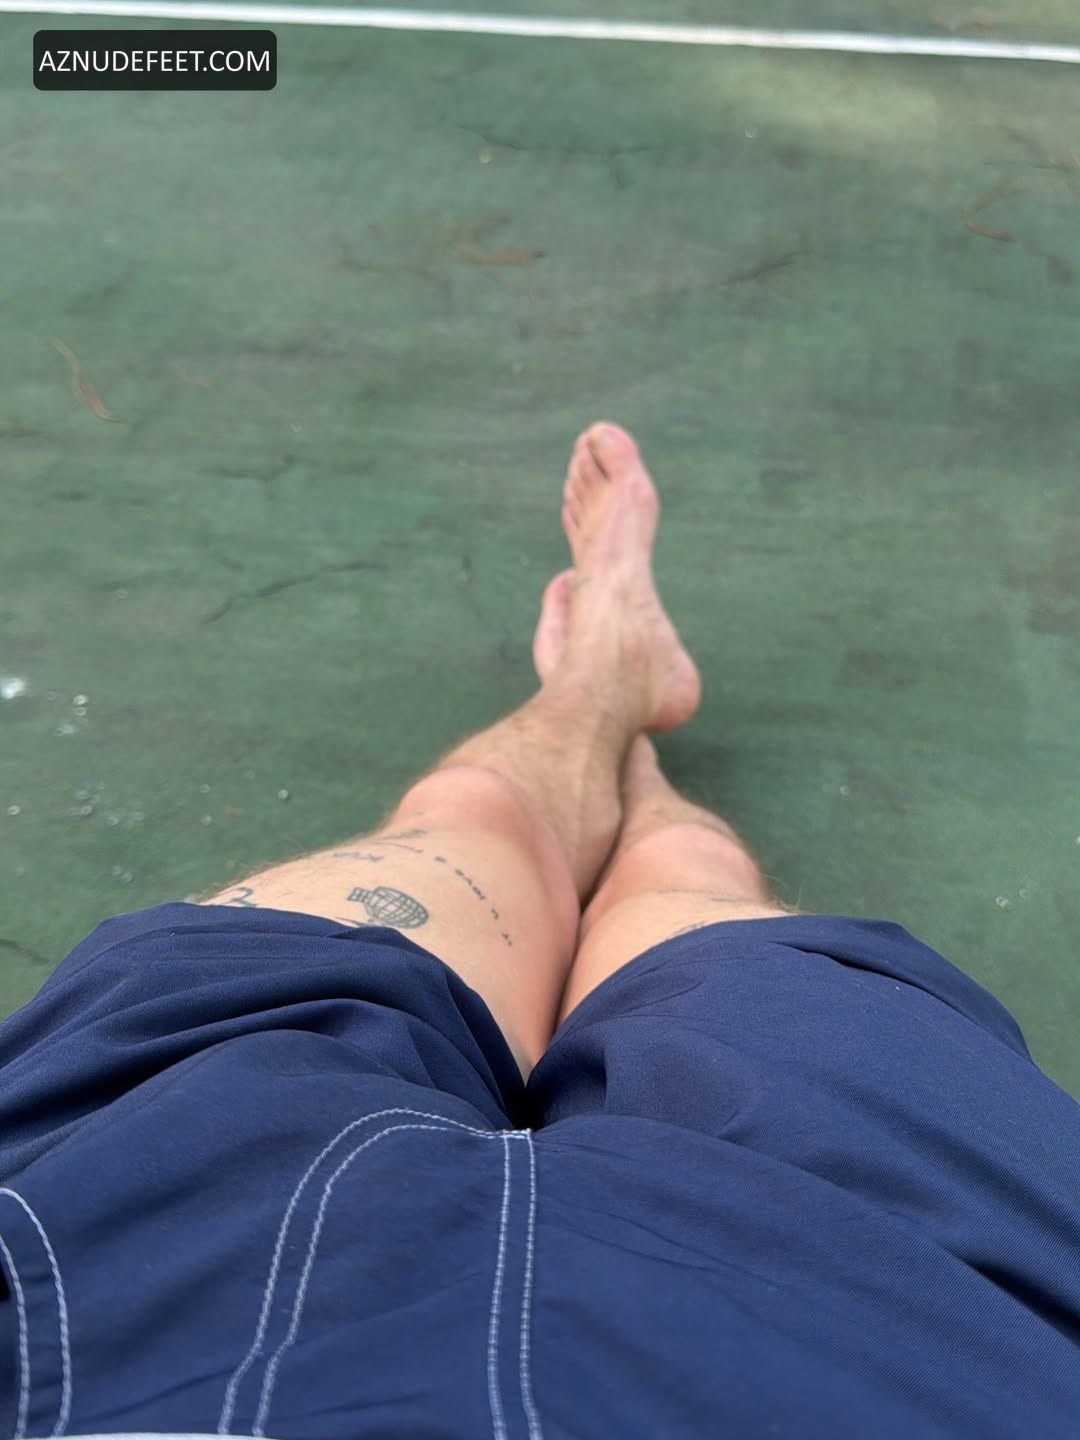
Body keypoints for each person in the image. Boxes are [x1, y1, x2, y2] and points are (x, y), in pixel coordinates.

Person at [0, 422, 1077, 1439]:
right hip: (899, 1340)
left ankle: (599, 690)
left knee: (460, 833)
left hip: (106, 1284)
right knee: (703, 926)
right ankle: (624, 743)